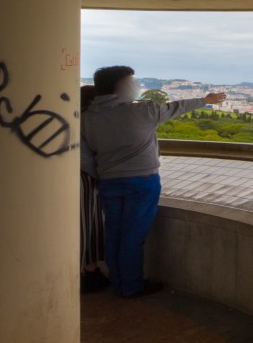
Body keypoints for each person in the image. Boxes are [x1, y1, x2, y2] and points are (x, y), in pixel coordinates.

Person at [80, 66, 226, 298]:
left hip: (109, 182)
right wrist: (205, 100)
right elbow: (176, 108)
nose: (136, 86)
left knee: (114, 233)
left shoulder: (86, 118)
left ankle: (117, 281)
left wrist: (102, 173)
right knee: (132, 236)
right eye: (132, 82)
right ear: (121, 86)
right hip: (142, 181)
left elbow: (84, 157)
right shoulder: (144, 111)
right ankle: (130, 286)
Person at [79, 85, 110, 294]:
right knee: (88, 224)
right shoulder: (87, 121)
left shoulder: (76, 120)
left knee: (87, 224)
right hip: (86, 179)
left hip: (83, 178)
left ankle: (89, 269)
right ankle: (88, 271)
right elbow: (87, 158)